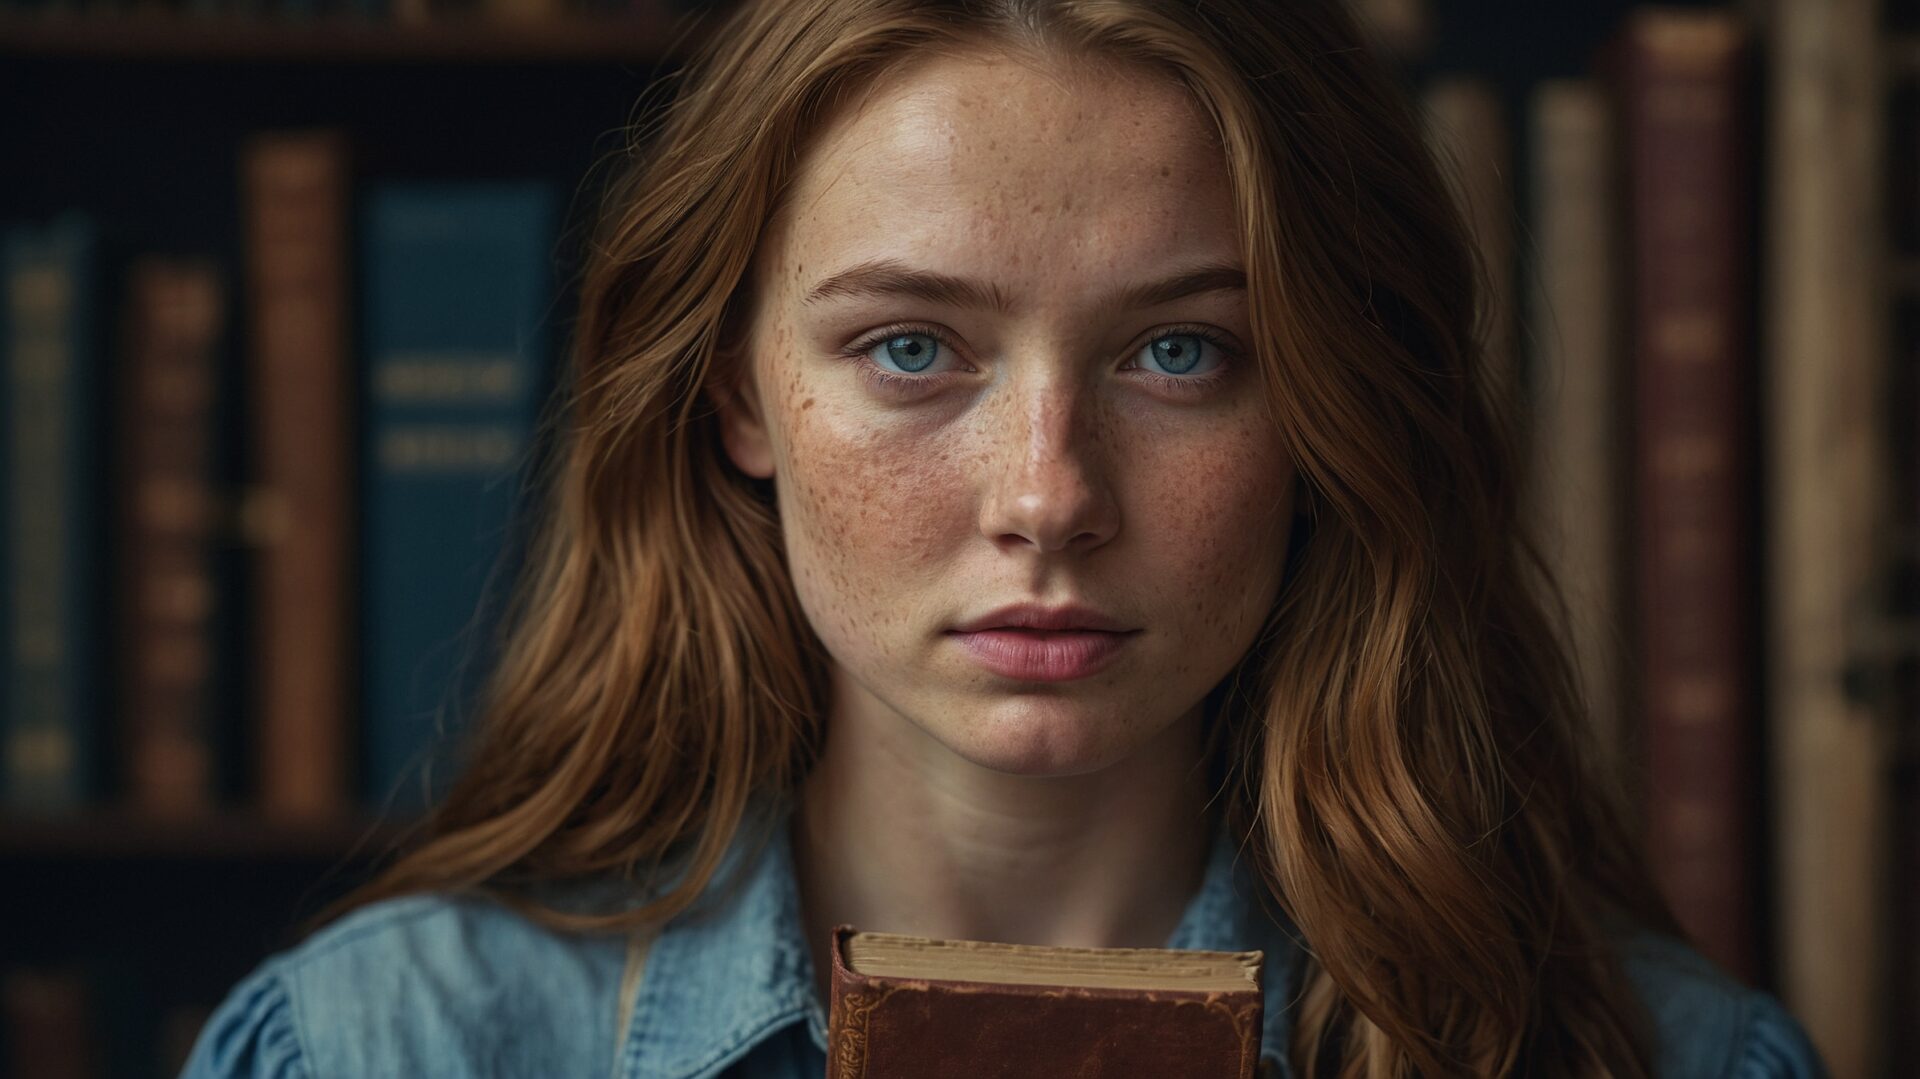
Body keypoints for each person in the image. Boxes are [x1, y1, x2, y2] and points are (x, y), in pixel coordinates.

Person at [181, 0, 1830, 1075]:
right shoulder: (378, 1050)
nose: (1046, 496)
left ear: (1331, 405)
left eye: (1179, 353)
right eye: (912, 348)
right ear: (738, 393)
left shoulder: (1670, 1061)